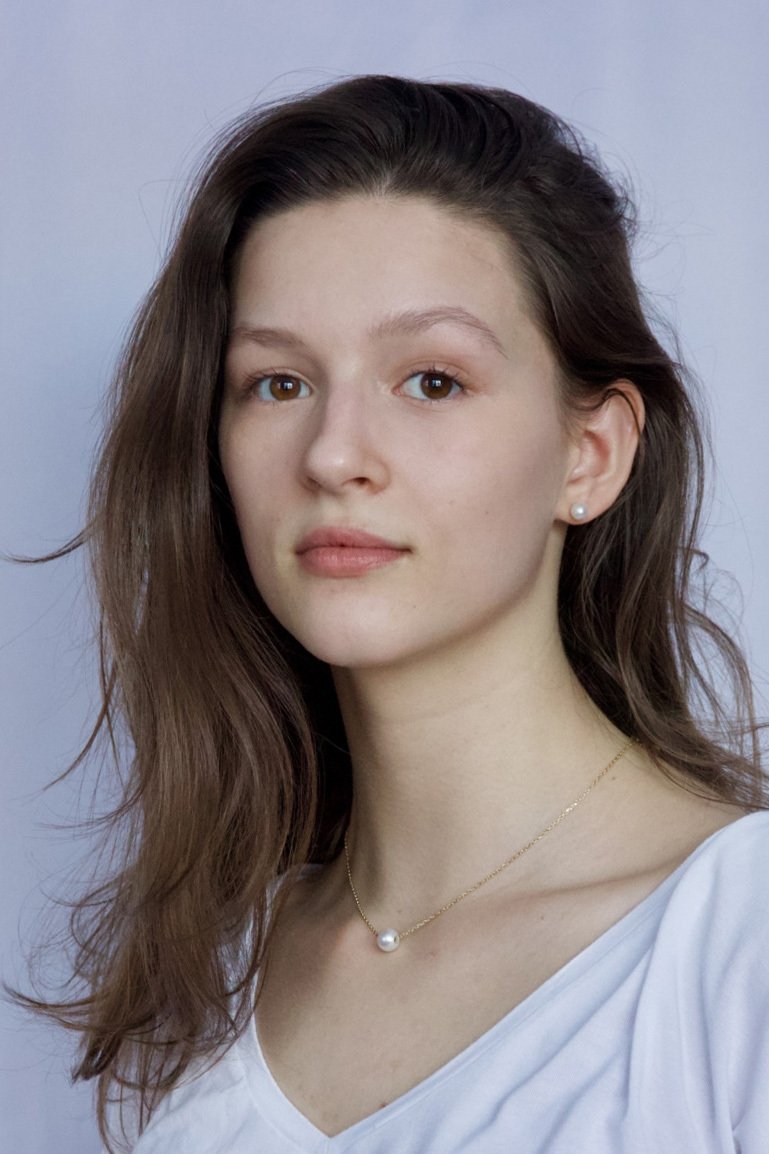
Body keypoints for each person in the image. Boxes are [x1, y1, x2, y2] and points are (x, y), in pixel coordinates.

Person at [18, 74, 768, 1152]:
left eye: (431, 381)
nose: (332, 455)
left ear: (589, 454)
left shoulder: (736, 943)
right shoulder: (217, 967)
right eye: (278, 383)